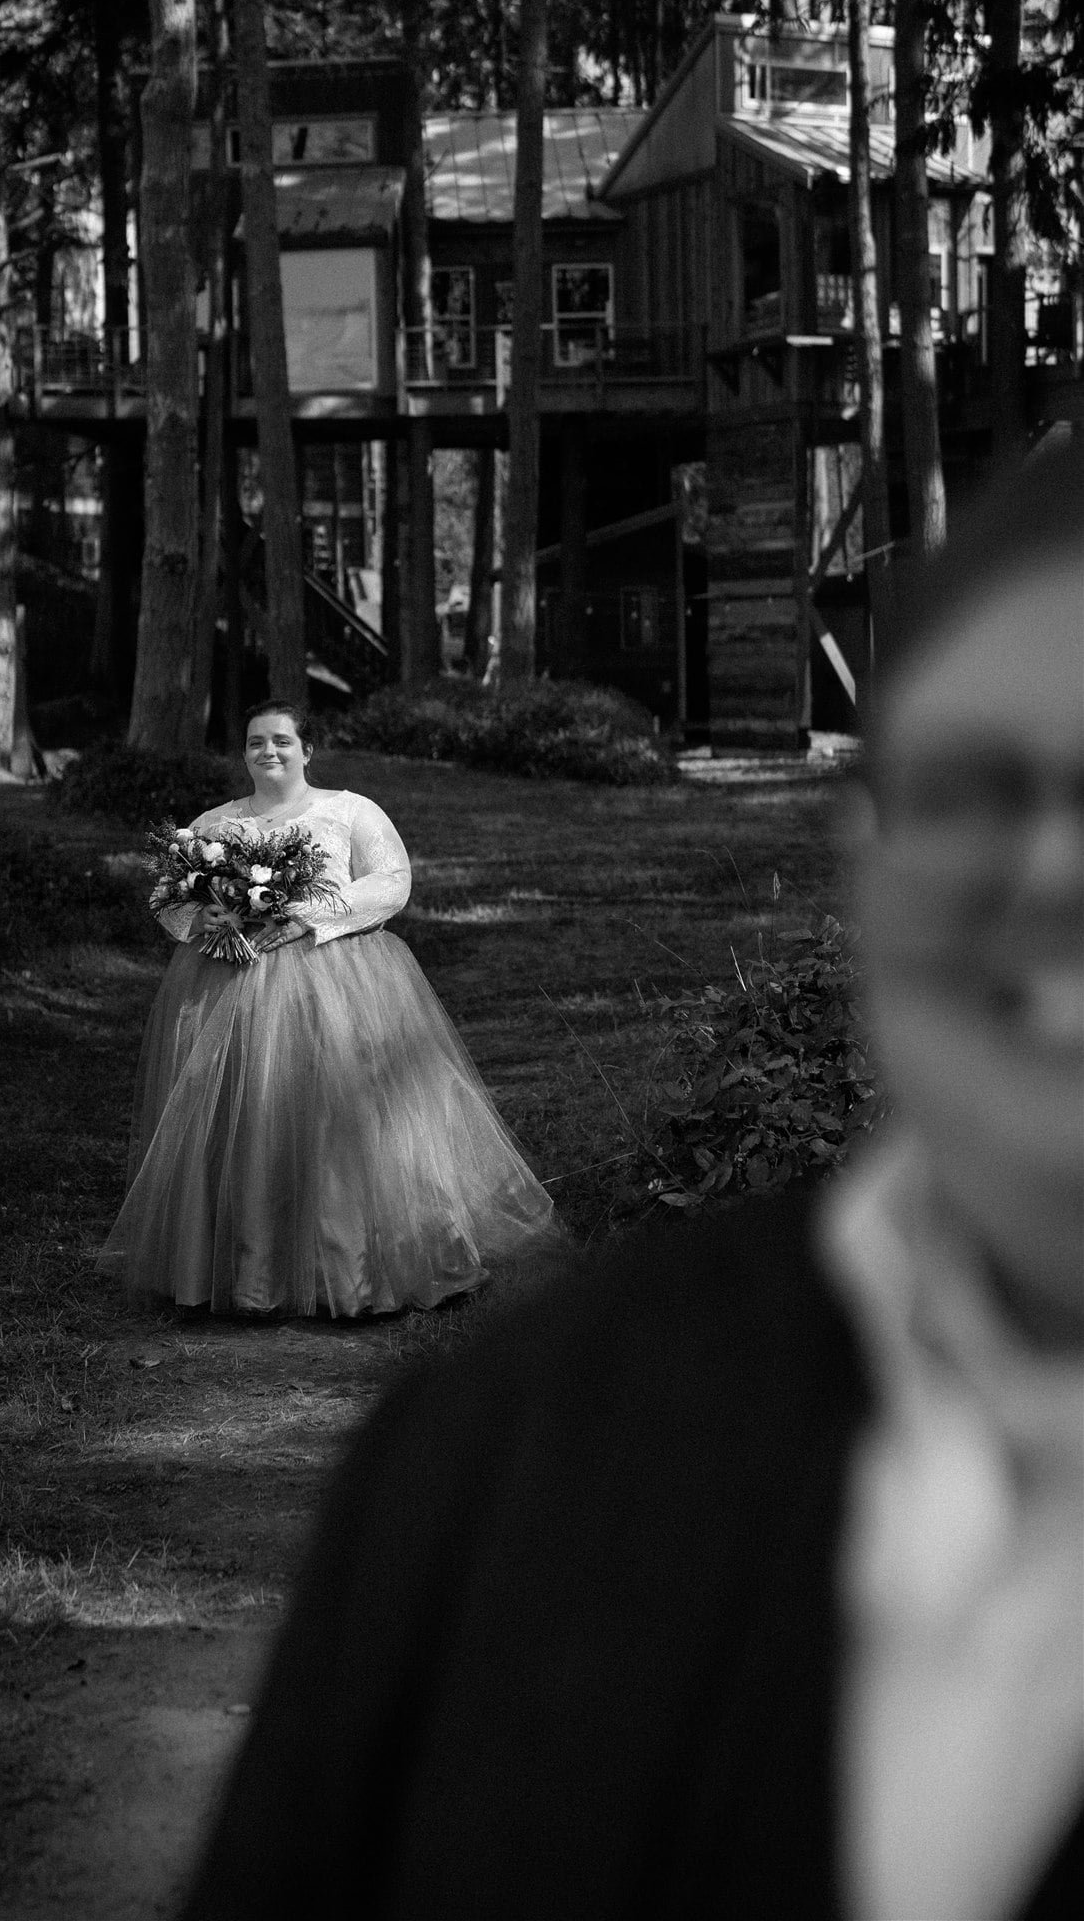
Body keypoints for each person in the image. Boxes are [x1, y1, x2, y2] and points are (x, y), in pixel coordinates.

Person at [178, 446, 1083, 1918]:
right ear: (861, 854)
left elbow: (383, 877)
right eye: (976, 791)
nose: (1049, 876)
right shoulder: (495, 1450)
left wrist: (319, 911)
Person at [99, 700, 556, 1316]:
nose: (269, 752)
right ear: (243, 754)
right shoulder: (213, 825)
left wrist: (306, 915)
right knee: (245, 1120)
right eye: (256, 741)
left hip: (336, 984)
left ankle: (351, 1270)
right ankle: (248, 1272)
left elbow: (392, 880)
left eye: (283, 741)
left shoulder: (349, 811)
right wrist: (200, 917)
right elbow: (169, 894)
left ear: (307, 751)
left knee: (336, 1121)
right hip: (232, 989)